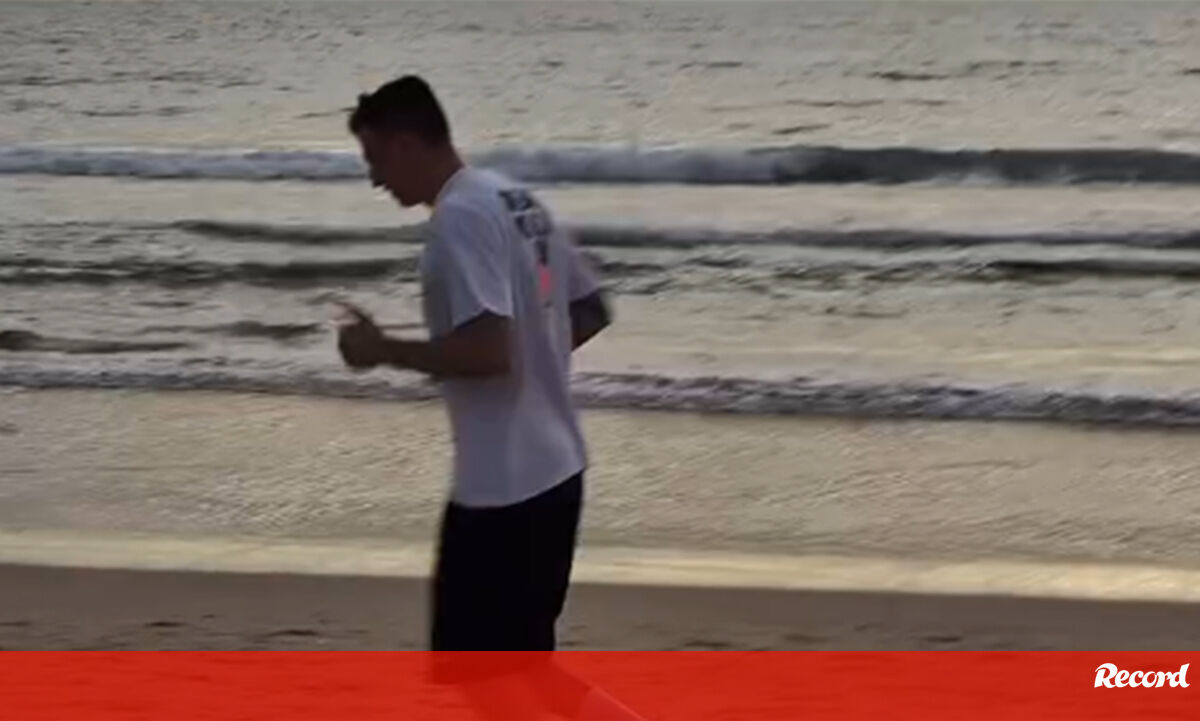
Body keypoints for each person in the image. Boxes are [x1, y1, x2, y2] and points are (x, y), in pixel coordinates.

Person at [337, 76, 639, 720]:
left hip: (503, 490)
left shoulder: (460, 219)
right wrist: (537, 363)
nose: (375, 180)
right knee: (529, 671)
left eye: (375, 159)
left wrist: (381, 349)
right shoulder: (514, 200)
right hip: (555, 470)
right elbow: (587, 310)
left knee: (488, 682)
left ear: (406, 143)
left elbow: (486, 353)